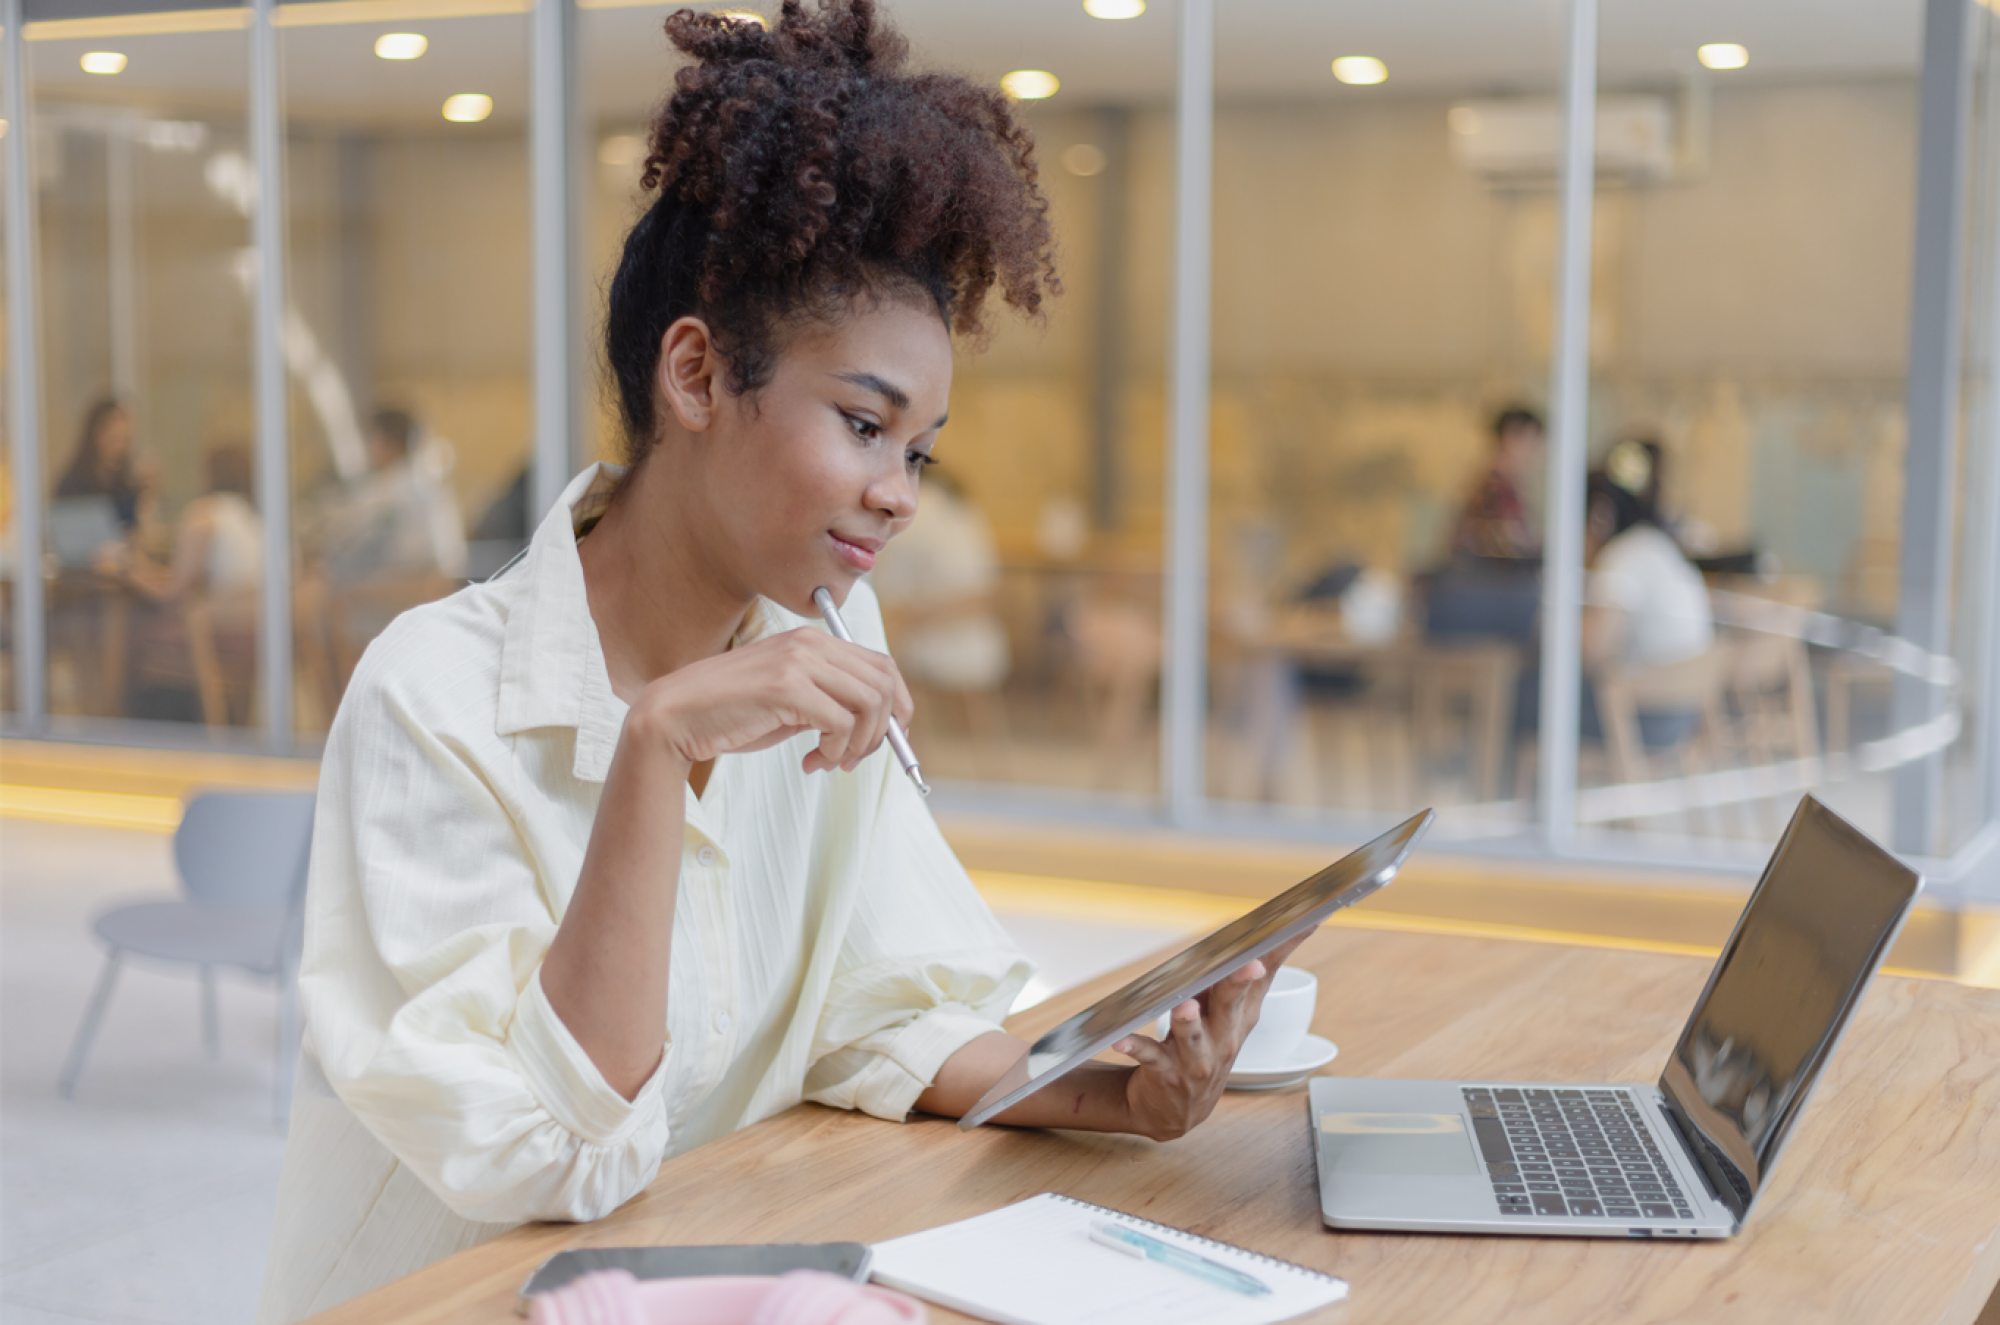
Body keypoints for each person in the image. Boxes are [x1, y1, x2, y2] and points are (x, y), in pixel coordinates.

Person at [257, 5, 1307, 1320]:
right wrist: (657, 747)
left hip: (705, 1273)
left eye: (917, 449)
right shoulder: (433, 698)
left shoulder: (821, 636)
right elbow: (543, 1154)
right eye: (865, 425)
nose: (899, 493)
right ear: (695, 374)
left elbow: (881, 1005)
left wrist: (1125, 1098)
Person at [312, 407, 468, 586]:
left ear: (387, 443)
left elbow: (349, 545)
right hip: (419, 585)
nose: (367, 448)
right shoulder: (418, 485)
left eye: (371, 439)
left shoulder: (400, 492)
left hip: (411, 589)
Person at [1447, 405, 1544, 562]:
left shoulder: (1490, 484)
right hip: (1482, 581)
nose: (1534, 457)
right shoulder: (1497, 489)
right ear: (1510, 438)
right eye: (1531, 444)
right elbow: (1515, 545)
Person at [54, 397, 157, 538]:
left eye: (125, 441)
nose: (120, 448)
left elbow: (135, 534)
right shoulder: (73, 485)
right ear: (96, 437)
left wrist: (146, 497)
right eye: (114, 439)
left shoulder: (125, 486)